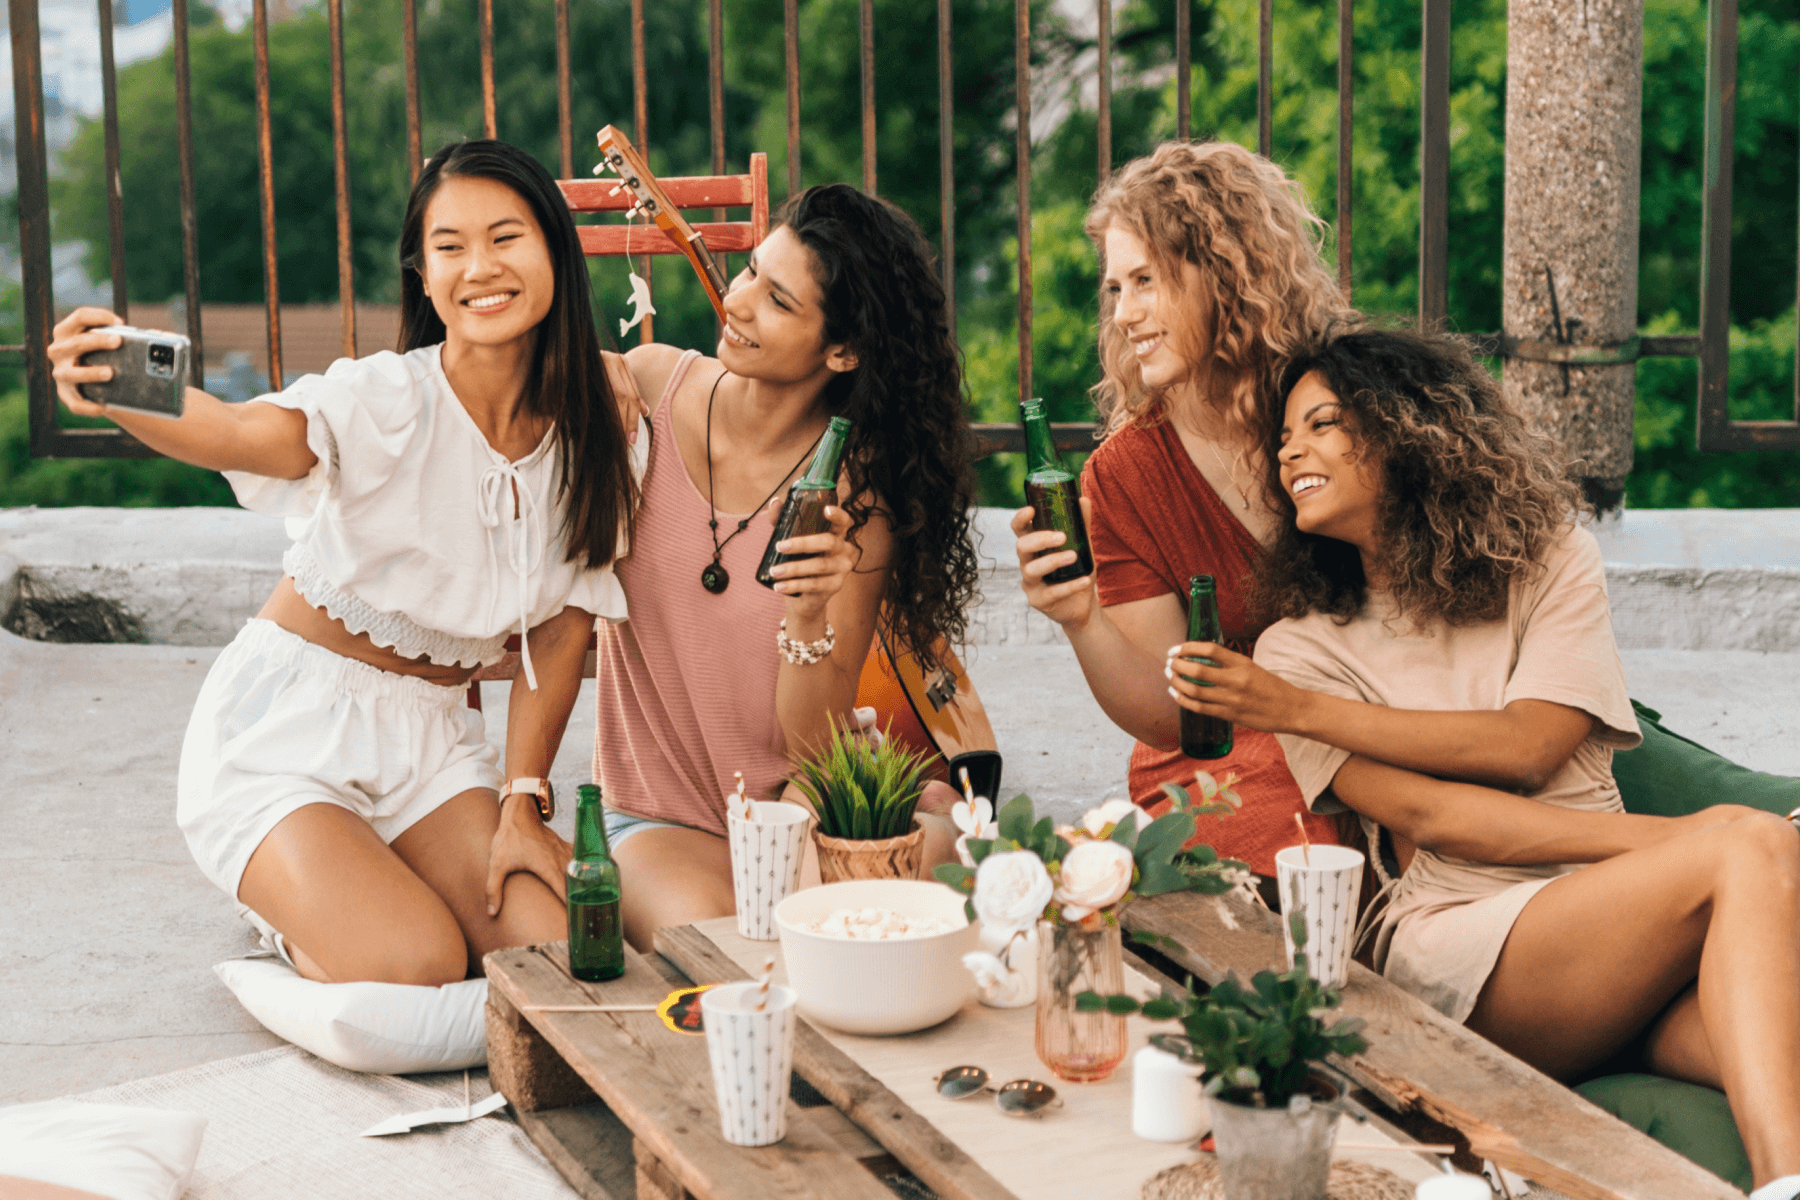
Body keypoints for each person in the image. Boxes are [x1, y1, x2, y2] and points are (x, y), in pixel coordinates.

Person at [1167, 328, 1800, 1199]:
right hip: (1469, 946)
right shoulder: (1293, 654)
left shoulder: (1550, 564)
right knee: (1751, 850)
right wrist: (1699, 840)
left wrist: (1298, 717)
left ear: (1403, 428)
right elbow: (1436, 819)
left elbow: (1530, 744)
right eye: (1283, 439)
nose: (1291, 453)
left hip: (1620, 944)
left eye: (1320, 424)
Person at [47, 139, 644, 986]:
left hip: (432, 747)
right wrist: (117, 386)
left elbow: (559, 629)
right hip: (287, 733)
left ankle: (351, 881)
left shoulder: (596, 435)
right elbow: (242, 434)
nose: (481, 267)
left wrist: (520, 799)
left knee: (546, 956)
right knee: (418, 961)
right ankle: (286, 911)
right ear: (424, 275)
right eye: (450, 247)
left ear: (554, 248)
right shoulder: (386, 398)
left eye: (506, 238)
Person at [597, 184, 980, 951]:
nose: (736, 303)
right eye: (747, 274)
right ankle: (935, 833)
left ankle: (929, 832)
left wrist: (808, 614)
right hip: (661, 812)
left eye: (776, 300)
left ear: (841, 351)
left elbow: (812, 746)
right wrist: (582, 368)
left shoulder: (855, 492)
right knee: (725, 953)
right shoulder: (643, 387)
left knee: (832, 946)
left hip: (798, 802)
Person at [1012, 140, 1356, 879]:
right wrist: (1081, 619)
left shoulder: (1342, 403)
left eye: (1147, 282)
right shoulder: (1126, 474)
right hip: (1226, 751)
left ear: (1226, 275)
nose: (1126, 314)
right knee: (1305, 858)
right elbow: (1170, 715)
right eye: (1116, 288)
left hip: (1371, 721)